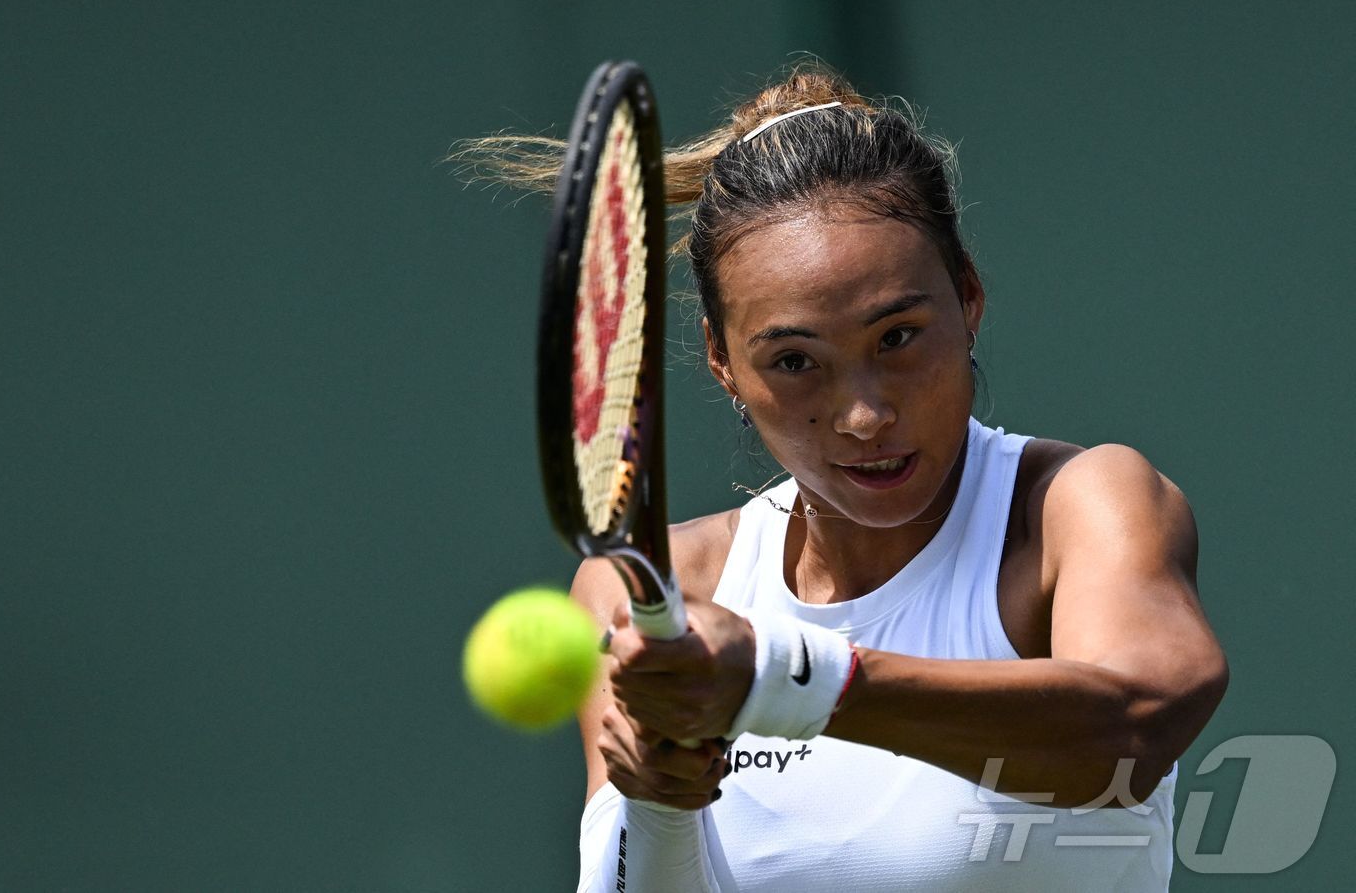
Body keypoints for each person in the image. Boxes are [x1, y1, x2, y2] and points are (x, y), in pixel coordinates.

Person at [463, 64, 1228, 891]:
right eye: (794, 362)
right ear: (722, 364)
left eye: (897, 337)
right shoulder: (655, 588)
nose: (863, 415)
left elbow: (1136, 725)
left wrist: (784, 675)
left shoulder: (1080, 506)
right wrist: (657, 798)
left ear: (968, 296)